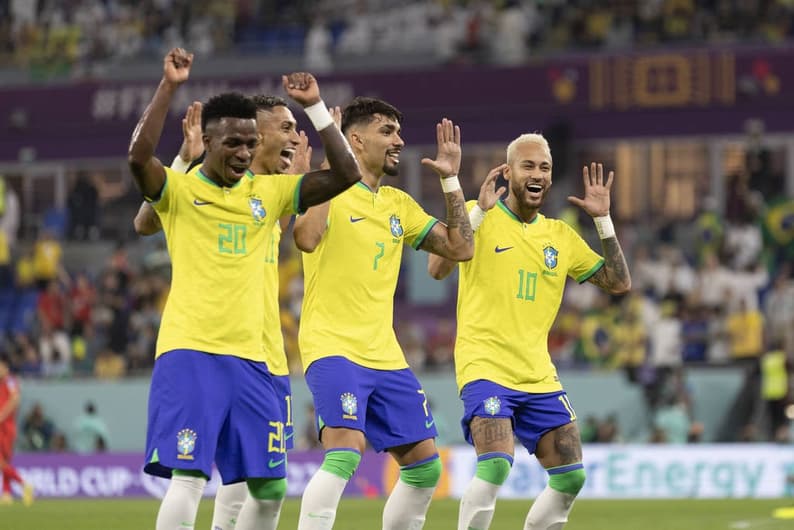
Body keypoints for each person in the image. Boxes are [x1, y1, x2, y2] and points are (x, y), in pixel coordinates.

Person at [127, 48, 361, 530]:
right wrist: (169, 87)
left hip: (258, 361)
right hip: (194, 350)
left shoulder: (269, 194)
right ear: (208, 142)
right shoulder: (182, 189)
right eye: (234, 142)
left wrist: (317, 111)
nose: (243, 152)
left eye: (249, 143)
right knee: (190, 477)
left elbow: (346, 175)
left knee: (270, 488)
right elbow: (138, 162)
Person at [428, 134, 631, 530]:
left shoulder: (560, 237)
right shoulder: (478, 214)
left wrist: (603, 221)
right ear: (508, 172)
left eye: (544, 168)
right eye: (528, 166)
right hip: (484, 366)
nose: (537, 174)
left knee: (572, 475)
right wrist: (478, 215)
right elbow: (437, 268)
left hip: (537, 372)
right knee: (496, 465)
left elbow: (619, 283)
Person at [292, 97, 474, 529]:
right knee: (344, 451)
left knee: (426, 467)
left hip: (385, 354)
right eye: (387, 131)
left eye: (398, 131)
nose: (399, 140)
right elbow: (306, 238)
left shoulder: (398, 204)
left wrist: (451, 181)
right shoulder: (328, 190)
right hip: (332, 344)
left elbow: (460, 248)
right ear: (355, 139)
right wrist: (325, 174)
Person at [134, 95, 315, 530]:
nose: (294, 136)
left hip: (265, 354)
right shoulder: (205, 182)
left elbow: (294, 233)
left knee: (259, 480)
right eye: (285, 128)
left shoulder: (269, 194)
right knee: (197, 475)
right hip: (207, 346)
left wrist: (301, 177)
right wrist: (184, 157)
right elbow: (145, 220)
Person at [0, 354, 33, 505]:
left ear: (5, 367)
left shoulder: (11, 381)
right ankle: (7, 494)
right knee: (4, 461)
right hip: (3, 426)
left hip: (6, 427)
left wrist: (1, 415)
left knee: (3, 461)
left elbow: (15, 399)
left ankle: (24, 484)